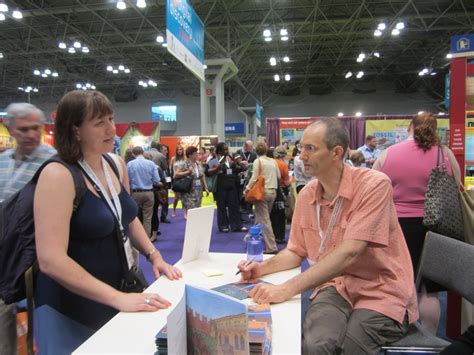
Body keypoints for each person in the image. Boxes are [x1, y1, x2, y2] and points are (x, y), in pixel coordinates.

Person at [238, 118, 418, 354]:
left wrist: (286, 289)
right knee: (316, 345)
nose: (301, 156)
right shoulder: (307, 195)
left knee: (351, 346)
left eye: (310, 149)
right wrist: (260, 269)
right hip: (336, 285)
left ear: (336, 153)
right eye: (301, 148)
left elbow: (350, 252)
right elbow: (295, 251)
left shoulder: (373, 186)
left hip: (380, 287)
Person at [33, 90, 182, 354]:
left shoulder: (114, 164)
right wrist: (118, 298)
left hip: (117, 293)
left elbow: (126, 218)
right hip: (70, 308)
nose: (111, 129)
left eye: (111, 119)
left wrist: (154, 254)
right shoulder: (58, 174)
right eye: (99, 122)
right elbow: (50, 260)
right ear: (75, 129)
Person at [373, 112, 459, 334]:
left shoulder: (389, 153)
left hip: (398, 226)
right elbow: (457, 188)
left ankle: (403, 332)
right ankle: (430, 337)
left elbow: (373, 189)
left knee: (404, 284)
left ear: (409, 127)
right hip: (438, 226)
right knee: (430, 291)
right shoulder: (445, 154)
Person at [0, 102, 56, 355]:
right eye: (24, 129)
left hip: (35, 255)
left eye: (36, 128)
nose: (31, 134)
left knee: (42, 319)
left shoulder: (53, 162)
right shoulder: (2, 162)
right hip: (4, 254)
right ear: (9, 129)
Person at [244, 142, 281, 254]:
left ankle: (271, 247)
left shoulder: (258, 161)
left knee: (264, 220)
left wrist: (247, 188)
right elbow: (279, 176)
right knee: (262, 217)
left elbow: (254, 177)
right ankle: (250, 236)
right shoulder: (273, 161)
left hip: (262, 193)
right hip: (272, 192)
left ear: (256, 151)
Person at [207, 142, 247, 232]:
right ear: (219, 151)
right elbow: (208, 172)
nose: (226, 151)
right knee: (221, 207)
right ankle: (223, 226)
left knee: (234, 206)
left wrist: (238, 165)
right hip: (220, 187)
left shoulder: (230, 159)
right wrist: (216, 169)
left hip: (232, 186)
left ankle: (237, 225)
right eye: (224, 149)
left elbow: (238, 169)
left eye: (227, 149)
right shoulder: (214, 160)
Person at [127, 146, 162, 241]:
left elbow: (127, 180)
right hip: (149, 193)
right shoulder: (151, 164)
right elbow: (157, 180)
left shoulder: (130, 164)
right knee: (147, 218)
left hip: (135, 193)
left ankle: (136, 239)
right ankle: (145, 240)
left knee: (135, 217)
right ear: (143, 152)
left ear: (133, 154)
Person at [178, 146, 209, 216]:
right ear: (190, 155)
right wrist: (188, 172)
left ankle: (196, 225)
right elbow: (176, 174)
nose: (197, 155)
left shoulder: (198, 163)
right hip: (188, 190)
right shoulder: (184, 163)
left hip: (198, 190)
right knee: (191, 209)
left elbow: (202, 175)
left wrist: (206, 187)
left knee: (198, 208)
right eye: (195, 153)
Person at [270, 146, 291, 243]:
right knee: (281, 215)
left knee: (272, 214)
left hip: (271, 189)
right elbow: (286, 181)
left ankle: (272, 235)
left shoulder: (270, 163)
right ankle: (280, 236)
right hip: (281, 191)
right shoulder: (283, 165)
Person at [148, 142, 171, 223]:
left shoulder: (145, 154)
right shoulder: (161, 156)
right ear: (159, 148)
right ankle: (163, 217)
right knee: (164, 199)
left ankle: (151, 218)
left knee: (152, 202)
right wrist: (168, 183)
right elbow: (165, 170)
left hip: (148, 182)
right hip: (160, 180)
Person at [170, 145, 186, 217]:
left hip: (184, 178)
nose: (180, 151)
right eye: (178, 150)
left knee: (184, 197)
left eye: (181, 149)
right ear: (176, 151)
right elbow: (170, 169)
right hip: (176, 179)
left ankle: (185, 212)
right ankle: (174, 209)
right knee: (176, 197)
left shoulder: (185, 159)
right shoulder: (173, 159)